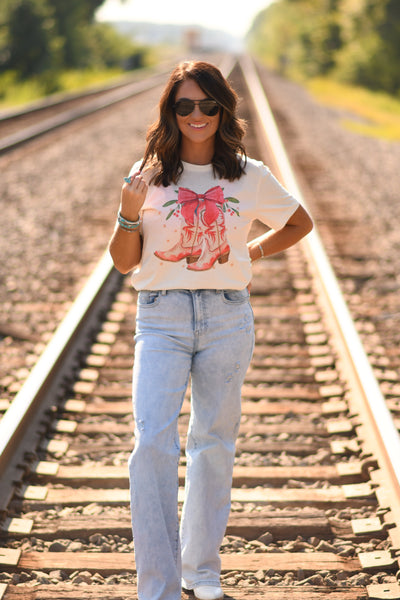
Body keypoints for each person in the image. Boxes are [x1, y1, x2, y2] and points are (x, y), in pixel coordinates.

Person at [108, 60, 313, 600]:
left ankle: (201, 570)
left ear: (223, 108)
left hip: (226, 316)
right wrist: (130, 213)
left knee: (212, 444)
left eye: (207, 104)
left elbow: (299, 221)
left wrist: (251, 251)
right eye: (184, 105)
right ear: (170, 113)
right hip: (161, 317)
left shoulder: (249, 174)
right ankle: (158, 585)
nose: (196, 115)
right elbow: (124, 263)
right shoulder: (147, 174)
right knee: (152, 441)